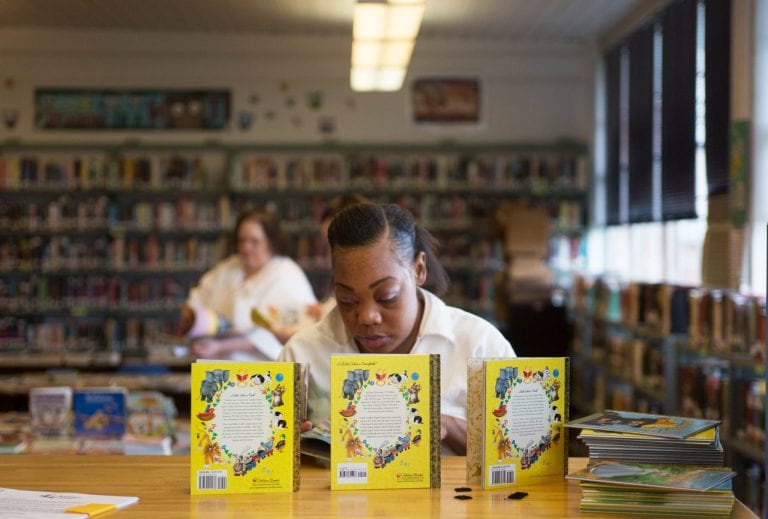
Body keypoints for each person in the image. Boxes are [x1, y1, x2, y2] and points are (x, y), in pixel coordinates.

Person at [280, 203, 516, 455]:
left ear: (419, 270)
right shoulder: (303, 354)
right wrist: (287, 446)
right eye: (347, 301)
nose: (367, 317)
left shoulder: (480, 345)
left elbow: (520, 451)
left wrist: (447, 426)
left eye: (386, 297)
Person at [183, 208, 317, 361]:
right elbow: (198, 299)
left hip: (263, 368)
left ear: (270, 241)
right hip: (218, 364)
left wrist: (221, 346)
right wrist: (192, 318)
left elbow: (284, 333)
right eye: (242, 240)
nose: (246, 247)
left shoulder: (287, 274)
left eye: (254, 241)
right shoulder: (229, 267)